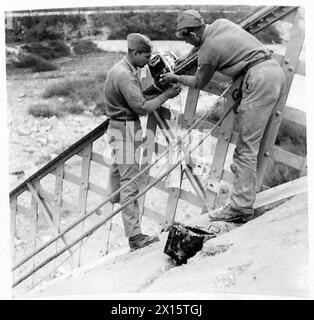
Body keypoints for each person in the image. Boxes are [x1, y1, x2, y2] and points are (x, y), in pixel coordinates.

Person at [161, 10, 286, 223]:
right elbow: (201, 45)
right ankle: (243, 202)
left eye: (186, 38)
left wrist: (176, 77)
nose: (188, 43)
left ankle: (241, 208)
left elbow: (199, 82)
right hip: (272, 71)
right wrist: (186, 57)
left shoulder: (208, 50)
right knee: (251, 145)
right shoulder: (220, 23)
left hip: (258, 80)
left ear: (191, 34)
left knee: (246, 149)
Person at [104, 33, 181, 250]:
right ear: (134, 53)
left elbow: (136, 98)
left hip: (118, 126)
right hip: (126, 128)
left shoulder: (121, 69)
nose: (148, 60)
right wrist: (166, 95)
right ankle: (135, 237)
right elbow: (142, 107)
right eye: (145, 56)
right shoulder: (126, 76)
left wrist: (158, 90)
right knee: (130, 182)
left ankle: (115, 197)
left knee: (119, 171)